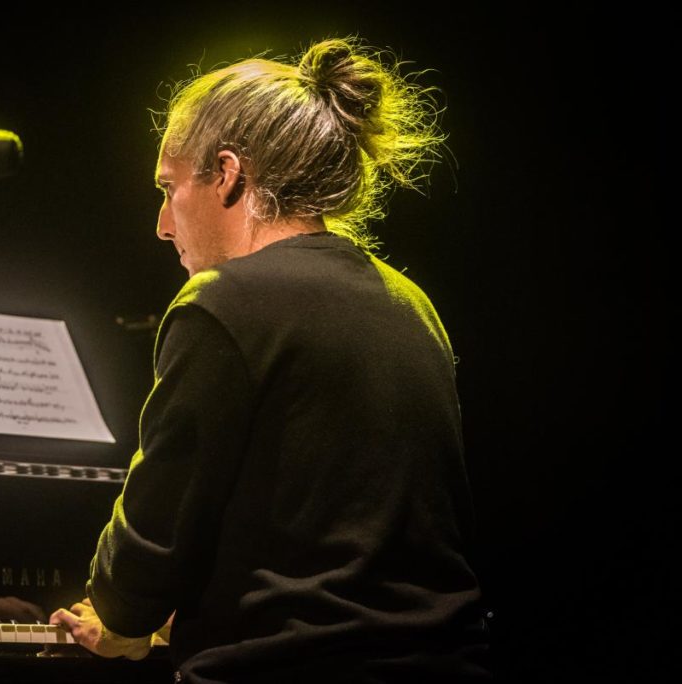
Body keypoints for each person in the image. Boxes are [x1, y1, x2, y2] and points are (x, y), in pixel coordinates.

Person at [51, 37, 489, 682]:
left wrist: (122, 617)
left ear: (226, 174)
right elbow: (345, 537)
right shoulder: (410, 302)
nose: (162, 225)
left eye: (169, 188)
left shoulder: (224, 301)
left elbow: (154, 537)